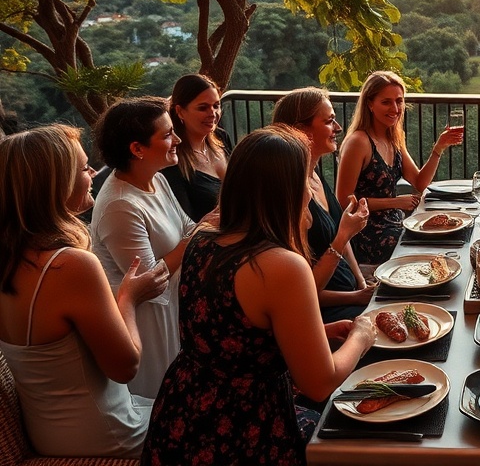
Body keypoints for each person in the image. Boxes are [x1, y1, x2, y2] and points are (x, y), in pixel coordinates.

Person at [142, 125, 377, 465]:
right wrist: (362, 335)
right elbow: (319, 383)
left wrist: (318, 334)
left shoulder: (203, 239)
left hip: (182, 414)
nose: (310, 192)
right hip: (245, 431)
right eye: (305, 180)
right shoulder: (280, 265)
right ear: (289, 191)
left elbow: (234, 338)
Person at [0, 125, 169, 458]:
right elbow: (125, 367)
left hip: (51, 432)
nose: (92, 174)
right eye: (82, 168)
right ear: (55, 184)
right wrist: (129, 298)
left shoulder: (13, 260)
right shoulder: (69, 266)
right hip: (105, 435)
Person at [91, 96, 216, 398]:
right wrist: (199, 235)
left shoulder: (156, 179)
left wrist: (206, 226)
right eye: (167, 135)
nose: (177, 140)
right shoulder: (120, 205)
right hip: (147, 325)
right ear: (137, 149)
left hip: (174, 311)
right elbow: (151, 281)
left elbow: (187, 226)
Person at [336, 70, 464, 265]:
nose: (395, 108)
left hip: (395, 223)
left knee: (449, 235)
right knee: (431, 249)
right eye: (386, 102)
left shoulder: (394, 138)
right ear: (370, 104)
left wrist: (439, 148)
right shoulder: (359, 142)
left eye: (399, 101)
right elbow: (345, 202)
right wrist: (395, 202)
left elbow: (420, 183)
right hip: (367, 232)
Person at [273, 87, 376, 322]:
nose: (338, 128)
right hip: (326, 313)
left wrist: (361, 283)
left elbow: (342, 235)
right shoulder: (292, 195)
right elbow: (303, 292)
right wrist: (355, 297)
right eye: (329, 121)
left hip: (350, 291)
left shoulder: (315, 174)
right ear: (300, 130)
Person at [161, 74, 231, 222]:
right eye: (203, 108)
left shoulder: (221, 137)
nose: (213, 114)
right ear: (180, 111)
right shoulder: (172, 159)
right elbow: (185, 220)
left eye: (216, 106)